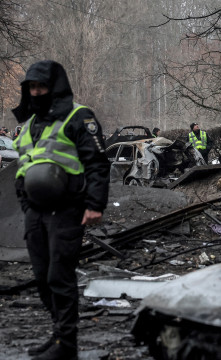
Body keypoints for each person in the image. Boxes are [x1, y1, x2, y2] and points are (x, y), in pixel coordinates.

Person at [11, 60, 109, 360]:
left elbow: (96, 162)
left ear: (55, 88)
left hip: (68, 210)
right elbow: (21, 167)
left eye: (42, 86)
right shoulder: (28, 126)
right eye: (32, 87)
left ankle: (67, 345)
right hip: (35, 213)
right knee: (41, 277)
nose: (37, 92)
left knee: (59, 276)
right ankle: (57, 335)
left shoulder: (79, 117)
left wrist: (95, 204)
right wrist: (26, 203)